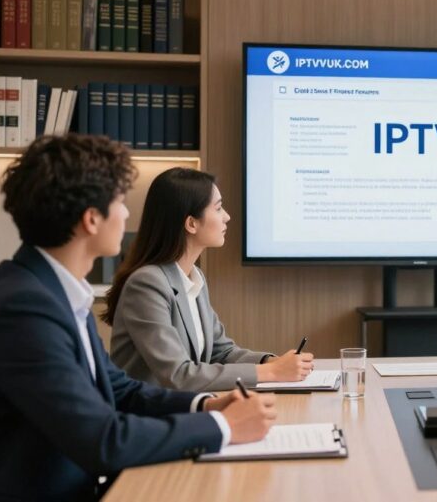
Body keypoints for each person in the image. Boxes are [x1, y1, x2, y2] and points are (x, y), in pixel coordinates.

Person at [0, 135, 278, 502]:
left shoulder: (54, 291)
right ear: (91, 219)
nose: (128, 214)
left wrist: (206, 405)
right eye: (119, 202)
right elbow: (102, 440)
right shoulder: (23, 309)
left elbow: (120, 390)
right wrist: (222, 426)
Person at [104, 167, 314, 391]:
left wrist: (271, 362)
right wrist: (271, 372)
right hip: (148, 419)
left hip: (183, 411)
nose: (227, 217)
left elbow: (221, 352)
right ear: (191, 223)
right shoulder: (147, 284)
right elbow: (179, 375)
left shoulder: (193, 277)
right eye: (219, 208)